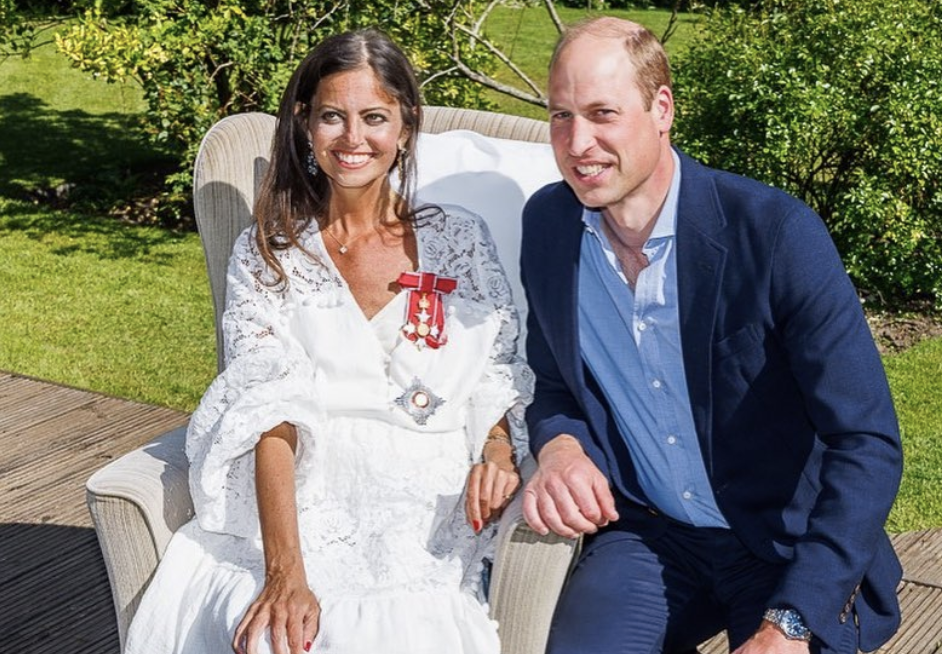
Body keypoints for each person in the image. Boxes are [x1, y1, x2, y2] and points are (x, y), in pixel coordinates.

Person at [124, 28, 532, 654]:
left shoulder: (461, 238)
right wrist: (287, 571)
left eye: (374, 117)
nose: (353, 138)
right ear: (304, 123)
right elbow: (268, 414)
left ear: (405, 124)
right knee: (280, 636)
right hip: (313, 490)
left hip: (429, 496)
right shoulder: (270, 256)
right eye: (332, 117)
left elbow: (495, 369)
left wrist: (499, 452)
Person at [519, 17, 903, 654]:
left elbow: (866, 442)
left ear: (661, 108)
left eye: (602, 113)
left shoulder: (774, 233)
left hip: (787, 547)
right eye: (561, 116)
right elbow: (555, 381)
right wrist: (560, 445)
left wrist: (792, 623)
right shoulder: (550, 225)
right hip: (653, 536)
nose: (577, 142)